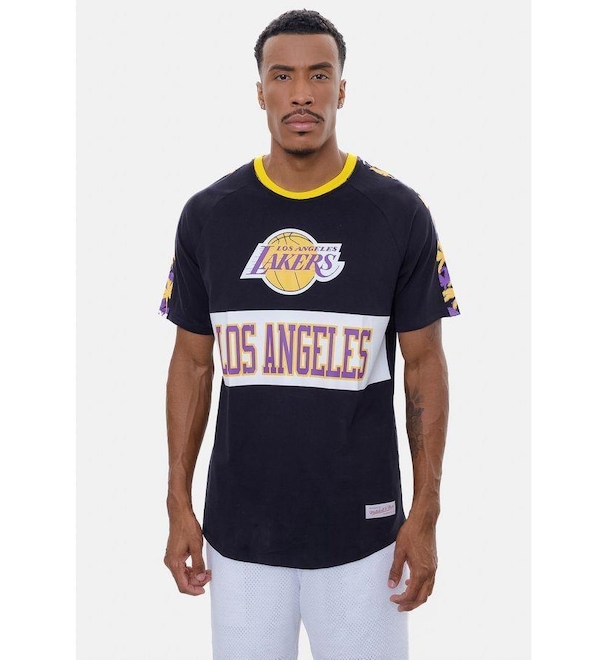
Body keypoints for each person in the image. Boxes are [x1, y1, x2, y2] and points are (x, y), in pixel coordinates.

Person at [160, 8, 460, 659]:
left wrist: (426, 511)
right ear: (260, 91)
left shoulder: (398, 213)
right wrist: (177, 501)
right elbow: (191, 363)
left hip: (366, 537)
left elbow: (425, 366)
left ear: (342, 90)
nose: (302, 93)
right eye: (283, 76)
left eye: (319, 75)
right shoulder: (210, 215)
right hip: (239, 536)